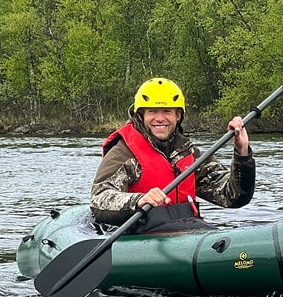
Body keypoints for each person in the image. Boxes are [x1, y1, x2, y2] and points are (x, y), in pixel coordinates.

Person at [89, 77, 254, 232]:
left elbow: (233, 196)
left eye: (167, 111)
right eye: (152, 111)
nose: (160, 118)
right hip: (140, 238)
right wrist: (138, 200)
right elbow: (100, 198)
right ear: (141, 115)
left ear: (178, 115)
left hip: (186, 234)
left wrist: (242, 152)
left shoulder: (188, 153)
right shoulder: (124, 153)